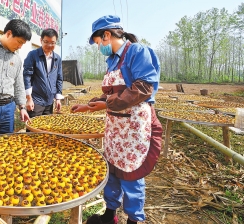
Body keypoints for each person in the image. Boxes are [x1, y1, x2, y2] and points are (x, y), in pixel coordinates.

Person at [71, 15, 163, 224]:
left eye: (97, 43)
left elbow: (143, 88)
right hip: (115, 128)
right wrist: (88, 105)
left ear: (107, 35)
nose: (98, 48)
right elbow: (110, 94)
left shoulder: (137, 52)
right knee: (112, 169)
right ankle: (110, 214)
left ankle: (133, 219)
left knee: (131, 174)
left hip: (134, 126)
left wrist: (107, 104)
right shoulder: (112, 60)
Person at [23, 28, 63, 120]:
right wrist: (29, 99)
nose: (49, 45)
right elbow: (27, 76)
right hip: (36, 101)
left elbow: (59, 78)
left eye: (52, 42)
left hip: (49, 102)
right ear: (41, 40)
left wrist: (58, 98)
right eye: (46, 42)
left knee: (47, 129)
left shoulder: (57, 58)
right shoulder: (33, 55)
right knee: (33, 131)